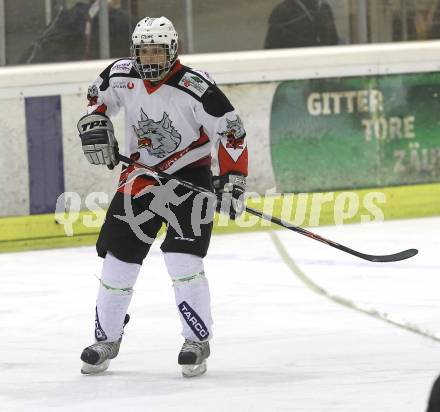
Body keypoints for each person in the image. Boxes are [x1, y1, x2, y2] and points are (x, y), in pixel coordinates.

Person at [77, 16, 248, 378]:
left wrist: (233, 177)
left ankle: (196, 340)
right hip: (139, 179)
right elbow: (97, 99)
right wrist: (97, 122)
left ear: (173, 49)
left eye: (157, 50)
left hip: (190, 179)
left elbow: (231, 131)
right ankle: (105, 339)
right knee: (117, 261)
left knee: (183, 261)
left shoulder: (196, 87)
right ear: (133, 51)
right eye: (144, 50)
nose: (150, 58)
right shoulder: (121, 75)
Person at [264, 0, 339, 49]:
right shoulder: (283, 11)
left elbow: (332, 41)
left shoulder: (324, 8)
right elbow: (272, 49)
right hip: (293, 65)